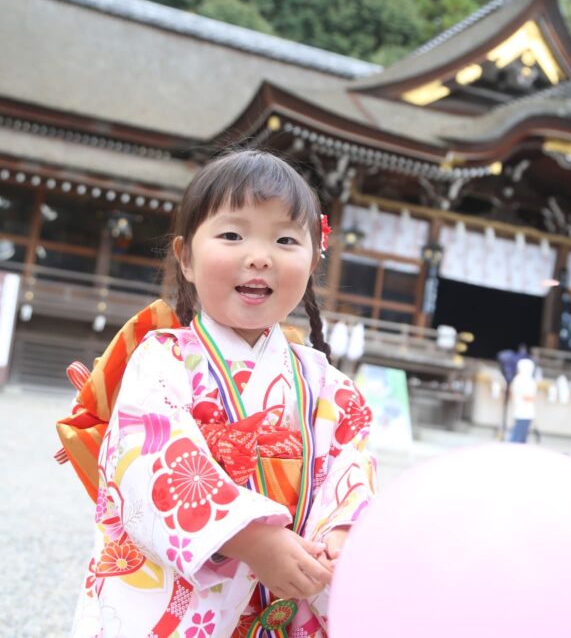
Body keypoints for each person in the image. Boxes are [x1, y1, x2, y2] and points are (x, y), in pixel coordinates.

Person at [63, 150, 377, 638]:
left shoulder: (328, 385)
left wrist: (339, 532)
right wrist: (250, 539)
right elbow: (147, 459)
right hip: (195, 595)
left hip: (289, 589)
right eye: (232, 235)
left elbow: (350, 465)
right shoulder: (161, 361)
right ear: (186, 258)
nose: (260, 256)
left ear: (314, 260)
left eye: (285, 240)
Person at [508, 358, 537, 443]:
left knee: (521, 439)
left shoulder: (518, 379)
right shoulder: (524, 380)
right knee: (516, 439)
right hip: (523, 413)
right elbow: (528, 397)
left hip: (523, 413)